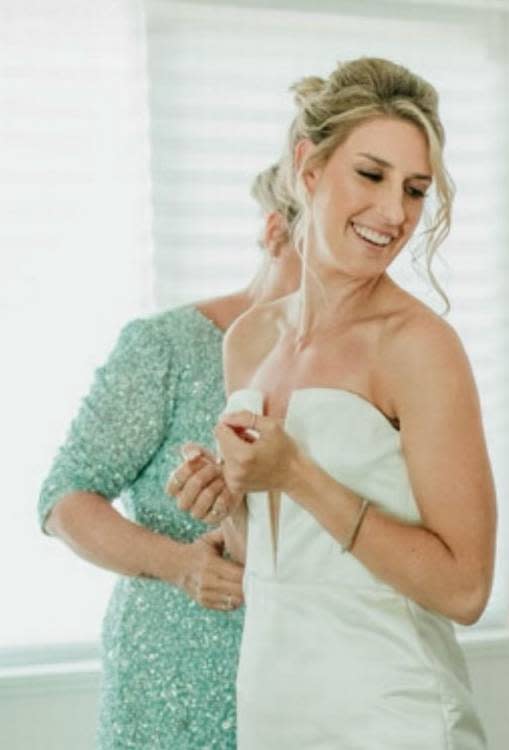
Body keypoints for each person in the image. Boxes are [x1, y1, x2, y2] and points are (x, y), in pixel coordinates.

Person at [172, 58, 496, 749]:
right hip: (274, 703)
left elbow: (465, 589)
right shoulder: (249, 339)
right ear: (308, 167)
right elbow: (272, 559)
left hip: (391, 711)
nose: (395, 214)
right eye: (372, 176)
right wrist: (224, 497)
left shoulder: (420, 347)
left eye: (415, 190)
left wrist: (298, 476)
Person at [37, 161, 302, 749]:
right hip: (173, 683)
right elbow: (64, 499)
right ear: (276, 230)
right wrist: (181, 564)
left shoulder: (366, 364)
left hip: (308, 678)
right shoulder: (168, 346)